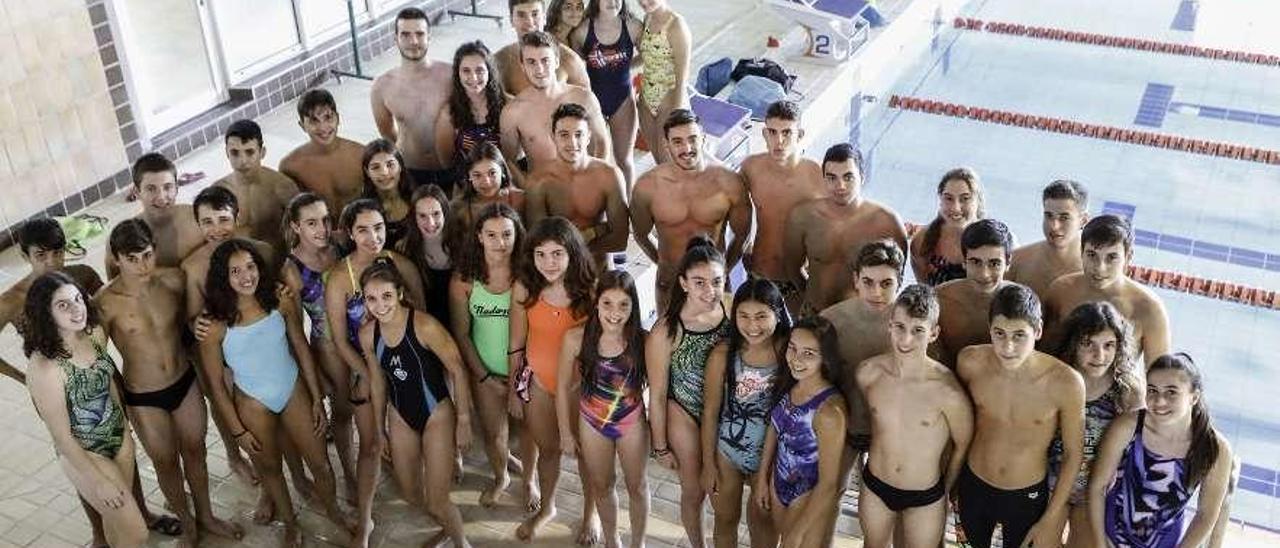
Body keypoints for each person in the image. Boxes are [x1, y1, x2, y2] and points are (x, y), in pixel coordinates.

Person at [198, 239, 355, 546]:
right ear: (223, 278)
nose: (246, 276)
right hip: (252, 403)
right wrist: (237, 431)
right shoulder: (214, 325)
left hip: (292, 388)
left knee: (320, 462)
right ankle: (291, 524)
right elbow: (216, 385)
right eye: (235, 271)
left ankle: (334, 510)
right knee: (270, 468)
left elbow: (300, 346)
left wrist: (315, 398)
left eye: (251, 267)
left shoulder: (277, 299)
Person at [97, 220, 243, 546]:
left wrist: (201, 322)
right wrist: (116, 393)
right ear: (117, 259)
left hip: (184, 380)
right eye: (132, 259)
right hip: (142, 394)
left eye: (147, 255)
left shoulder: (173, 281)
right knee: (165, 461)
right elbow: (96, 356)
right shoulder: (105, 302)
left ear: (155, 251)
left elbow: (196, 318)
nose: (142, 265)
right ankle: (187, 522)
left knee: (196, 450)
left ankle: (206, 516)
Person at [323, 199, 425, 546]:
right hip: (364, 366)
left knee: (409, 430)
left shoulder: (401, 266)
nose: (372, 237)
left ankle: (414, 481)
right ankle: (364, 521)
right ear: (350, 233)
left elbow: (422, 319)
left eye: (378, 228)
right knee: (370, 444)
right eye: (363, 230)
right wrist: (366, 373)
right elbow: (339, 340)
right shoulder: (340, 277)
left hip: (403, 365)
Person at [22, 272, 148, 548]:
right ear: (45, 313)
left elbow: (108, 382)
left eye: (77, 299)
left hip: (118, 438)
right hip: (86, 454)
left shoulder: (94, 334)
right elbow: (61, 436)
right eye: (63, 305)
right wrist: (98, 481)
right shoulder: (45, 368)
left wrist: (125, 430)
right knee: (138, 533)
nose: (77, 309)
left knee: (117, 527)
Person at [954, 284, 1084, 548]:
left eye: (1019, 335)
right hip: (973, 485)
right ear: (989, 327)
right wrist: (950, 482)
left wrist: (1051, 517)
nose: (1008, 346)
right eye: (999, 333)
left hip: (1027, 495)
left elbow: (1074, 454)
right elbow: (957, 427)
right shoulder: (970, 362)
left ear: (1038, 331)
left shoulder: (1065, 383)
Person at [358, 263, 475, 548]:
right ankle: (444, 523)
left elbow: (458, 370)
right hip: (400, 414)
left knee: (438, 499)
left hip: (436, 412)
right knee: (410, 492)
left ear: (399, 293)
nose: (379, 305)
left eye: (386, 296)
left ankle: (461, 542)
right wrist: (380, 428)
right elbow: (377, 382)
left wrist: (463, 421)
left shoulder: (424, 325)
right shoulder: (368, 334)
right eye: (371, 298)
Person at [855, 284, 973, 548]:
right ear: (890, 325)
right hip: (876, 484)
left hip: (926, 495)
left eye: (918, 330)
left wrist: (944, 491)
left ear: (933, 333)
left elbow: (963, 445)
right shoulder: (868, 374)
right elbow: (869, 425)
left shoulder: (948, 392)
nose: (906, 340)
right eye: (900, 327)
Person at [508, 216, 599, 541]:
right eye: (541, 254)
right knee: (548, 451)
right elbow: (516, 343)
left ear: (572, 253)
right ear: (531, 256)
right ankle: (548, 506)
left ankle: (591, 515)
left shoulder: (589, 289)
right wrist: (513, 392)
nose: (549, 262)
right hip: (538, 384)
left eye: (557, 253)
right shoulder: (524, 287)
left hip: (579, 386)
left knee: (589, 457)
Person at [180, 186, 276, 487]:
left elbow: (276, 296)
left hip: (263, 346)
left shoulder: (261, 251)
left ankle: (288, 472)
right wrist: (196, 324)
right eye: (206, 221)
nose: (216, 229)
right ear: (197, 224)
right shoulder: (193, 267)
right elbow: (194, 313)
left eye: (222, 219)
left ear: (237, 216)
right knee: (234, 410)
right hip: (225, 353)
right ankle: (259, 475)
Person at [1088, 353, 1233, 547]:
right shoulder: (1128, 426)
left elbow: (1206, 514)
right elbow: (1098, 486)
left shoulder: (1215, 448)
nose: (1159, 401)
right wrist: (1099, 543)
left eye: (1171, 392)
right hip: (1110, 535)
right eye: (1152, 390)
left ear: (1194, 396)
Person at [646, 235, 731, 548]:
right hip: (683, 411)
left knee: (720, 488)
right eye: (699, 282)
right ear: (683, 283)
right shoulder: (666, 330)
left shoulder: (731, 311)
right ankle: (698, 545)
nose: (710, 291)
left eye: (716, 281)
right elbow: (656, 394)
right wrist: (660, 446)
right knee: (694, 491)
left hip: (722, 409)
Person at [557, 270, 651, 548]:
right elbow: (562, 387)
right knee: (601, 485)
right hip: (591, 421)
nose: (615, 313)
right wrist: (565, 432)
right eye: (607, 303)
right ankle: (612, 540)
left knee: (638, 486)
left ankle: (638, 543)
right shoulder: (576, 338)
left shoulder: (642, 341)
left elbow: (657, 388)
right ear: (596, 302)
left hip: (631, 421)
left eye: (624, 305)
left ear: (634, 307)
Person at [700, 279, 791, 548]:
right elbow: (710, 412)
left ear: (778, 313)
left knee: (764, 528)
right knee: (725, 522)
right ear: (734, 313)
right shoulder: (723, 355)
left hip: (771, 456)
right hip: (727, 452)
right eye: (744, 316)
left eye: (762, 316)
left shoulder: (789, 352)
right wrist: (708, 465)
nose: (753, 326)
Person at [279, 193, 358, 499]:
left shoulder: (340, 244)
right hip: (329, 347)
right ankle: (350, 475)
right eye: (311, 223)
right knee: (342, 411)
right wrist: (311, 377)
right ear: (296, 227)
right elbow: (295, 331)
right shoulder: (292, 269)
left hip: (360, 335)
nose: (322, 229)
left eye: (325, 220)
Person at [631, 109, 752, 308]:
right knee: (670, 339)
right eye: (677, 141)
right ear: (666, 144)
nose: (687, 148)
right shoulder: (647, 187)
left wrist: (721, 271)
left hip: (714, 286)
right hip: (671, 284)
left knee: (720, 339)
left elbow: (742, 236)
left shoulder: (729, 182)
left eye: (692, 139)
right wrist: (665, 265)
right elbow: (640, 235)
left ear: (703, 138)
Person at [448, 203, 525, 509]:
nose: (500, 242)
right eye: (491, 235)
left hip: (523, 369)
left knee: (527, 433)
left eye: (507, 234)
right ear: (478, 236)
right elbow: (462, 335)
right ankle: (501, 476)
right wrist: (483, 376)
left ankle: (530, 481)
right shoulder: (464, 280)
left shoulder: (527, 274)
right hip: (484, 370)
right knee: (495, 434)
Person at [1050, 302, 1144, 548]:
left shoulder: (1126, 392)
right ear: (1073, 343)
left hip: (1094, 495)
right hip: (1050, 487)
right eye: (1088, 344)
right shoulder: (1057, 378)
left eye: (1108, 345)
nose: (1099, 355)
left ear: (1119, 347)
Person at [818, 241, 904, 505]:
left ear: (900, 281)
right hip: (843, 427)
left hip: (889, 433)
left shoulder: (911, 328)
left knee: (883, 506)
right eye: (868, 282)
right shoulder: (831, 322)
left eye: (886, 284)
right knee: (828, 495)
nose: (876, 292)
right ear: (855, 280)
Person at [754, 316, 848, 548]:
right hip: (779, 483)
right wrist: (762, 480)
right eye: (792, 348)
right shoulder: (791, 384)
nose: (795, 359)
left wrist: (798, 533)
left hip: (807, 494)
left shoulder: (829, 412)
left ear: (825, 358)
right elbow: (774, 430)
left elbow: (828, 484)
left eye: (808, 354)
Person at [782, 144, 908, 314]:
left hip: (860, 320)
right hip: (815, 313)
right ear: (824, 179)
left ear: (862, 177)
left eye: (848, 177)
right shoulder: (803, 217)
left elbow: (897, 279)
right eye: (832, 178)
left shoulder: (887, 222)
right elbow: (792, 267)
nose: (840, 186)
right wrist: (810, 298)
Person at [1043, 214, 1171, 366]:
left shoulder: (1148, 308)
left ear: (1128, 257)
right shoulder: (1061, 291)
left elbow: (1159, 377)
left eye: (1111, 257)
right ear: (1081, 252)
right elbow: (1041, 353)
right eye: (1092, 255)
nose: (1099, 268)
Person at [741, 100, 824, 310]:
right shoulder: (751, 168)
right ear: (764, 134)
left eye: (787, 133)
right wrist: (742, 246)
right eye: (773, 132)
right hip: (760, 273)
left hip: (799, 280)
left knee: (796, 339)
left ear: (800, 135)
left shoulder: (817, 176)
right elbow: (731, 208)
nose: (779, 140)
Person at [526, 103, 630, 267]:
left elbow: (620, 240)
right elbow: (539, 242)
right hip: (559, 272)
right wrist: (595, 231)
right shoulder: (539, 183)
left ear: (588, 137)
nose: (572, 143)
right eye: (564, 135)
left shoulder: (609, 175)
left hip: (599, 270)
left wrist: (573, 245)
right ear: (553, 136)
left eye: (578, 134)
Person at [0, 219, 103, 383]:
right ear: (25, 256)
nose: (52, 263)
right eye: (41, 255)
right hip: (55, 384)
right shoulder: (12, 300)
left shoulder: (83, 275)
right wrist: (24, 379)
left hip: (97, 367)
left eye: (57, 252)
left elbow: (110, 312)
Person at [500, 30, 612, 174]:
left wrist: (595, 179)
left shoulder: (583, 98)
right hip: (541, 189)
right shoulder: (512, 112)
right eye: (531, 62)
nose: (539, 69)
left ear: (557, 61)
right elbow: (510, 161)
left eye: (545, 60)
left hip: (583, 184)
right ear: (523, 66)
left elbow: (602, 142)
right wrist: (527, 188)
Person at [370, 7, 456, 191]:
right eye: (406, 35)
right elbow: (387, 134)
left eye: (419, 34)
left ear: (429, 37)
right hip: (411, 172)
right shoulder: (382, 86)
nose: (414, 41)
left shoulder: (450, 75)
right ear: (396, 39)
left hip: (453, 168)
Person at [570, 0, 643, 186]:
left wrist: (626, 66)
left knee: (624, 161)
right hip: (594, 103)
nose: (612, 2)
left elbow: (648, 54)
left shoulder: (633, 27)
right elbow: (575, 70)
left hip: (623, 101)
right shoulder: (581, 32)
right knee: (596, 162)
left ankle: (628, 208)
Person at [932, 219, 1015, 368]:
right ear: (964, 262)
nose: (984, 274)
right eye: (976, 262)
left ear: (1008, 264)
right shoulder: (939, 301)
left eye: (994, 263)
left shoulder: (1020, 305)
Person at [108, 153, 203, 276]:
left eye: (168, 187)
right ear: (137, 193)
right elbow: (115, 287)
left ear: (177, 188)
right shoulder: (124, 239)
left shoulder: (199, 219)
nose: (161, 198)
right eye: (151, 189)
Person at [212, 119, 300, 252]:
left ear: (262, 152)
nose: (242, 161)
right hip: (240, 265)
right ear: (227, 153)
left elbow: (304, 231)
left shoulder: (282, 187)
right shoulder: (219, 192)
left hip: (278, 262)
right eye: (235, 153)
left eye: (249, 152)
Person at [279, 89, 366, 220]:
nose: (323, 127)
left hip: (360, 231)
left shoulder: (361, 154)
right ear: (302, 125)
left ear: (338, 118)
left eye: (328, 117)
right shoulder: (290, 166)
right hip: (318, 236)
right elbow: (294, 214)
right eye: (314, 120)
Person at [434, 41, 511, 181]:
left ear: (490, 71)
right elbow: (447, 162)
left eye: (480, 70)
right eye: (466, 71)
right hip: (467, 182)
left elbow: (514, 157)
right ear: (458, 74)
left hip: (504, 180)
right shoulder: (448, 113)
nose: (473, 77)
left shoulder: (509, 105)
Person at [1006, 179, 1090, 298]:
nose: (1054, 226)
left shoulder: (1095, 271)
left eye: (1064, 218)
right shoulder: (1017, 261)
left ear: (1083, 220)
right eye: (1049, 215)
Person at [635, 0, 691, 164]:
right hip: (646, 100)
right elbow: (647, 55)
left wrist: (676, 114)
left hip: (669, 102)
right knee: (659, 161)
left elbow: (682, 77)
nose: (644, 2)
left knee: (671, 162)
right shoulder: (647, 19)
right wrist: (620, 66)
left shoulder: (676, 26)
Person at [495, 0, 591, 96]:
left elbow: (588, 105)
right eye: (521, 15)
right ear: (511, 20)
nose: (529, 22)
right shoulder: (500, 60)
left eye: (535, 14)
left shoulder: (570, 59)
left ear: (544, 18)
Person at [909, 167, 985, 286]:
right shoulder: (921, 242)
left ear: (978, 201)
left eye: (965, 199)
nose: (956, 208)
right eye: (949, 198)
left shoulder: (997, 243)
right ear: (940, 199)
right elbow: (924, 294)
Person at [397, 184, 457, 327]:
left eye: (436, 214)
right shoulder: (405, 249)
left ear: (445, 212)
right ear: (414, 217)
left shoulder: (462, 244)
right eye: (422, 216)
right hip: (426, 326)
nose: (430, 222)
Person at [452, 143, 527, 231]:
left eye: (492, 173)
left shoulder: (519, 199)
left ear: (502, 171)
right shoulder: (460, 209)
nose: (486, 182)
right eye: (477, 175)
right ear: (469, 177)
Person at [360, 138, 416, 250]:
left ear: (400, 166)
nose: (384, 173)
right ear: (367, 172)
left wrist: (413, 239)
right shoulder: (361, 209)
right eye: (376, 167)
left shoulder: (418, 198)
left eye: (390, 165)